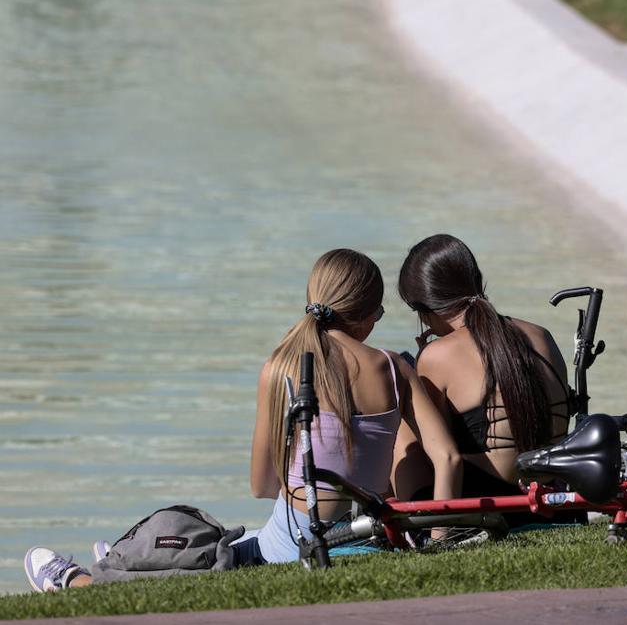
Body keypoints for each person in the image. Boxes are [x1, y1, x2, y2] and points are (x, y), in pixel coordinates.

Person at [23, 248, 461, 592]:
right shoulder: (393, 368)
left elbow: (262, 486)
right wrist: (441, 542)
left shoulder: (281, 366)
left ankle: (84, 578)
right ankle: (127, 555)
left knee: (201, 544)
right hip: (369, 539)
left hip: (294, 541)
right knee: (226, 542)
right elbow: (448, 457)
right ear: (366, 316)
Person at [393, 234, 572, 502]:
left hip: (484, 499)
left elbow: (437, 449)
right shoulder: (541, 335)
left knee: (404, 419)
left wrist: (417, 374)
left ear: (425, 307)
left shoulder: (437, 355)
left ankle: (408, 527)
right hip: (549, 489)